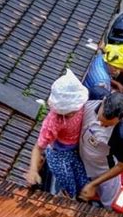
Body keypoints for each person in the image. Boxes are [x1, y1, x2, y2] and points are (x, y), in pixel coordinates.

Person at [26, 69, 89, 198]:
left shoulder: (83, 105)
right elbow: (38, 148)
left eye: (72, 110)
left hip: (77, 148)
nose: (71, 114)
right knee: (68, 185)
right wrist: (33, 170)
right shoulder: (54, 121)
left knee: (83, 182)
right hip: (59, 154)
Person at [79, 92, 123, 208]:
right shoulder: (92, 97)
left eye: (107, 125)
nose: (101, 125)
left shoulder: (121, 135)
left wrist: (94, 184)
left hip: (104, 173)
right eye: (101, 119)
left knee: (109, 205)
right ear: (103, 101)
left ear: (121, 118)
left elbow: (122, 165)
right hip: (83, 163)